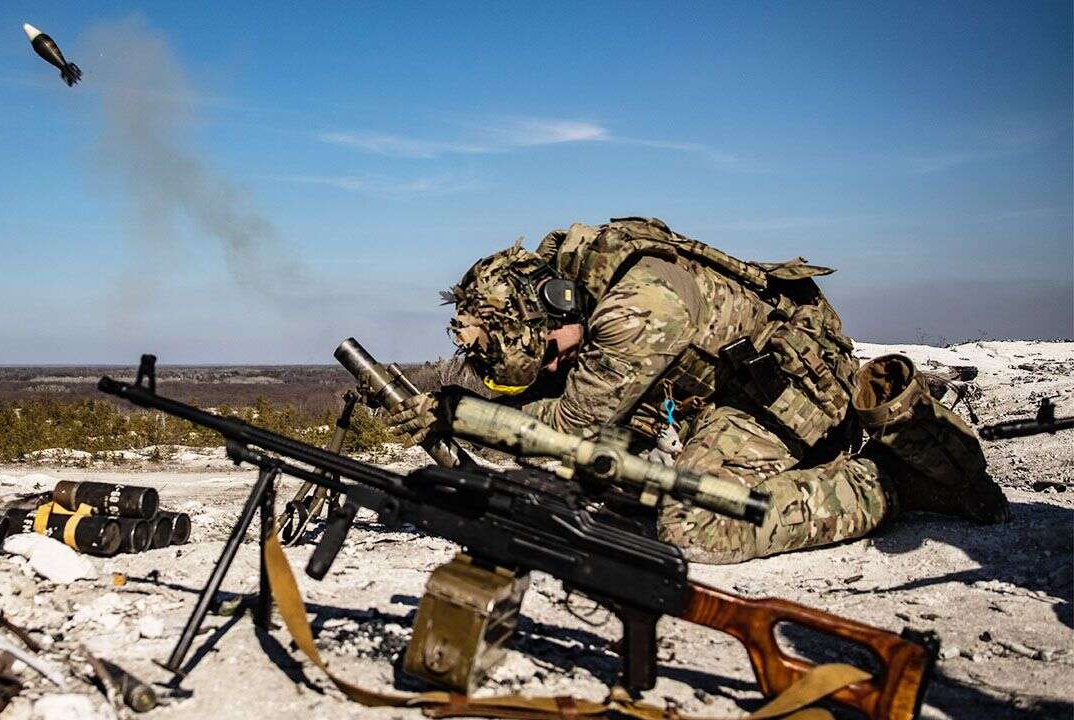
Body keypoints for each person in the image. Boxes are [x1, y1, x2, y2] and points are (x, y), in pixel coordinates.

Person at [390, 216, 1008, 564]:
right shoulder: (590, 285)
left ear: (552, 307)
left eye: (549, 356)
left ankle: (889, 484)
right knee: (599, 474)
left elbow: (567, 425)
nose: (554, 368)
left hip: (791, 407)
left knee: (693, 528)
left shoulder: (638, 307)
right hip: (729, 401)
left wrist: (457, 417)